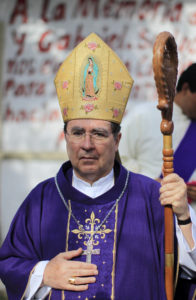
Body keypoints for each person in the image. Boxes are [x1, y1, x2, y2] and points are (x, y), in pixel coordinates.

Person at [0, 33, 195, 300]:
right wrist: (43, 272)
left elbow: (188, 270)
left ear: (117, 140)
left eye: (99, 134)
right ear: (66, 136)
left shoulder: (152, 197)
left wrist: (183, 217)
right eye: (78, 132)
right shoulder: (41, 200)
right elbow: (9, 262)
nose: (87, 144)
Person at [119, 63, 196, 210]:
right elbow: (119, 159)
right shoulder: (143, 115)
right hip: (144, 208)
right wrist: (149, 183)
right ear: (186, 89)